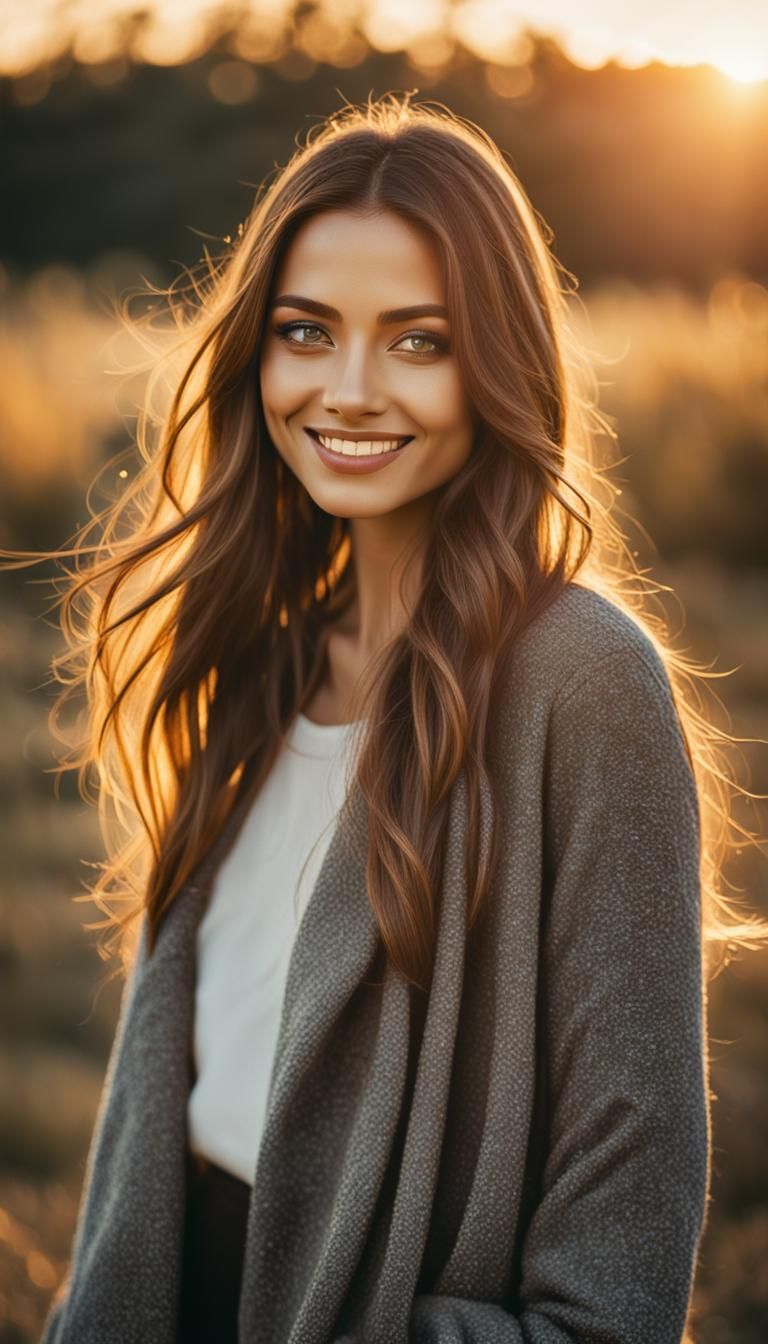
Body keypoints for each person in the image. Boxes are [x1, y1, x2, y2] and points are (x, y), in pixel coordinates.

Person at [14, 92, 766, 1343]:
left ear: (500, 364)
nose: (349, 390)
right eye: (308, 332)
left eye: (418, 341)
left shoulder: (584, 685)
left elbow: (616, 1284)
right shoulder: (251, 664)